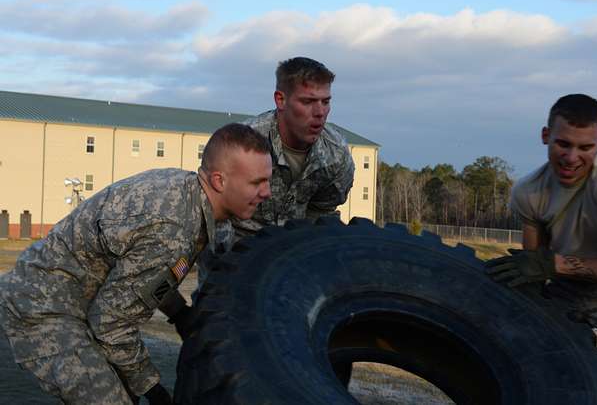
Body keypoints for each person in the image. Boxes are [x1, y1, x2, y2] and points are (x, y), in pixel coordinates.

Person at [0, 123, 272, 405]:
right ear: (219, 181)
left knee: (124, 386)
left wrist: (179, 314)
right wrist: (153, 389)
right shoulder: (174, 228)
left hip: (84, 298)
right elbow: (110, 325)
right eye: (256, 183)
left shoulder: (189, 195)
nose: (267, 193)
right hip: (44, 305)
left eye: (267, 181)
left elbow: (146, 275)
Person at [485, 93, 597, 398]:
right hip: (563, 287)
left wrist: (551, 264)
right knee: (531, 359)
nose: (572, 158)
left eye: (585, 147)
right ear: (546, 136)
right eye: (563, 144)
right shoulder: (528, 191)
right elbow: (533, 264)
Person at [231, 56, 355, 239]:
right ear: (280, 100)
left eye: (325, 102)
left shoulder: (336, 155)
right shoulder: (242, 144)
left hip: (295, 252)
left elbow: (323, 216)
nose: (320, 112)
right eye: (308, 102)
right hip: (239, 249)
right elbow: (216, 211)